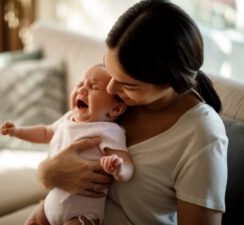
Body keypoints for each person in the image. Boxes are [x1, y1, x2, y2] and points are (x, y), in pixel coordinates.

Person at [35, 1, 229, 225]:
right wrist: (46, 173)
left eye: (128, 85)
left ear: (171, 82)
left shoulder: (202, 135)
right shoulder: (115, 101)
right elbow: (62, 139)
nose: (110, 89)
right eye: (110, 69)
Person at [0, 64, 134, 225]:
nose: (82, 90)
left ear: (116, 109)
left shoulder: (108, 130)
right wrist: (18, 131)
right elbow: (45, 132)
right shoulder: (68, 118)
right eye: (80, 84)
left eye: (93, 87)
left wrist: (118, 167)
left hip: (81, 214)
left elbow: (126, 163)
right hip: (49, 206)